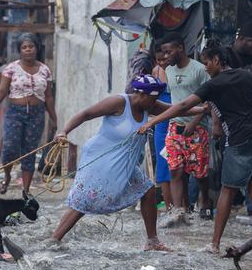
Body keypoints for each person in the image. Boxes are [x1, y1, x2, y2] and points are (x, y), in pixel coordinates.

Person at [141, 43, 252, 254]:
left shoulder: (213, 85)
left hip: (238, 140)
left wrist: (153, 121)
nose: (205, 68)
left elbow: (183, 106)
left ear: (217, 60)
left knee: (227, 190)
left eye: (207, 63)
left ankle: (214, 244)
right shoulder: (248, 76)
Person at [52, 75, 182, 251]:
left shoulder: (149, 105)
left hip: (124, 162)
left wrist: (203, 108)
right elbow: (85, 114)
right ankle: (54, 239)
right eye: (152, 99)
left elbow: (179, 109)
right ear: (142, 94)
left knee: (148, 190)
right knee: (85, 200)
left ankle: (152, 241)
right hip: (101, 157)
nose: (154, 103)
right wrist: (64, 131)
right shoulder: (119, 102)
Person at [0, 33, 56, 197]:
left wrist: (53, 118)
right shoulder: (11, 68)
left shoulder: (45, 70)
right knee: (9, 148)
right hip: (15, 113)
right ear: (20, 50)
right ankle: (7, 177)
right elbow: (2, 91)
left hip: (36, 114)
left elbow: (49, 96)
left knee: (29, 151)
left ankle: (26, 190)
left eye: (31, 46)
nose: (28, 49)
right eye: (24, 47)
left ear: (36, 48)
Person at [158, 33, 211, 225]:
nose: (166, 56)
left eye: (168, 51)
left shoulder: (199, 70)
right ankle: (178, 211)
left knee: (200, 173)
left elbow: (209, 100)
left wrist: (194, 123)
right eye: (163, 52)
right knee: (175, 170)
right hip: (175, 127)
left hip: (198, 129)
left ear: (180, 48)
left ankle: (205, 201)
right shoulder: (168, 71)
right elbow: (174, 101)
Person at [150, 44, 174, 214]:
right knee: (162, 161)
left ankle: (183, 204)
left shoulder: (179, 71)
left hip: (178, 119)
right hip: (161, 123)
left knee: (179, 163)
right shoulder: (156, 71)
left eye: (165, 57)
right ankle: (169, 206)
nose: (162, 62)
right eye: (158, 59)